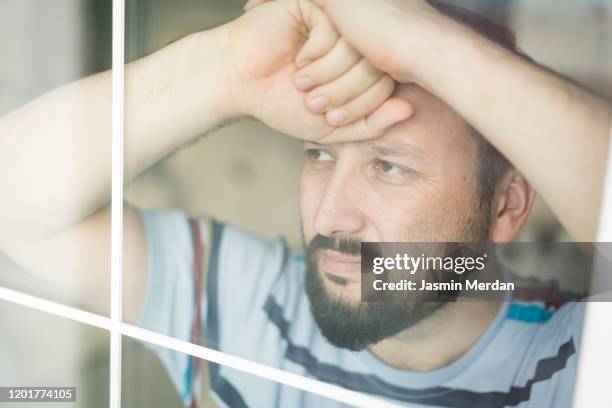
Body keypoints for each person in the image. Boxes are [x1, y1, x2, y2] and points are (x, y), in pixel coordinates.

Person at [0, 0, 610, 407]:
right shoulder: (245, 308)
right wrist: (229, 68)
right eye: (319, 155)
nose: (329, 218)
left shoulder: (569, 364)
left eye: (388, 166)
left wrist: (425, 41)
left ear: (506, 207)